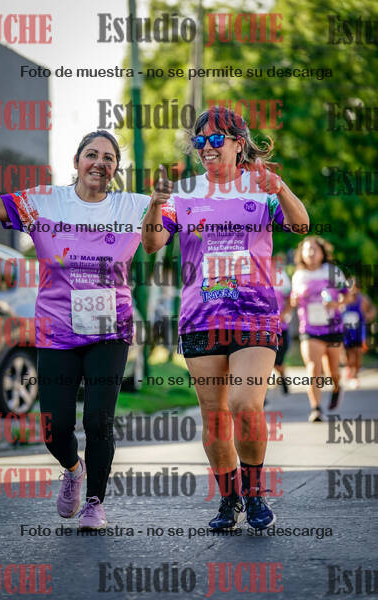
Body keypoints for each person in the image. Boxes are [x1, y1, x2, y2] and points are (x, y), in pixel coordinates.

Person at [142, 106, 309, 531]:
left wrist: (281, 188)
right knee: (215, 415)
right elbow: (152, 244)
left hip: (255, 315)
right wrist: (155, 206)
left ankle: (254, 494)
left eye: (216, 139)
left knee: (245, 405)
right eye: (200, 141)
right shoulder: (184, 193)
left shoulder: (261, 187)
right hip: (201, 317)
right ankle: (229, 498)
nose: (207, 147)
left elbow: (301, 225)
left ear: (238, 142)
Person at [0, 131, 149, 529]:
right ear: (76, 161)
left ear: (115, 168)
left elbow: (188, 215)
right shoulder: (43, 201)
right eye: (91, 154)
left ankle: (95, 503)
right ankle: (73, 469)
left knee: (98, 421)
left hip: (109, 329)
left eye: (109, 158)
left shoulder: (133, 206)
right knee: (54, 428)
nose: (99, 163)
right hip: (56, 330)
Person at [291, 237, 349, 422]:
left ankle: (337, 387)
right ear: (302, 254)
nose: (311, 253)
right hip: (309, 329)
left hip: (333, 328)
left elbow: (347, 296)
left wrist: (335, 304)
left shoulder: (332, 271)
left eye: (315, 249)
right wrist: (295, 298)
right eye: (307, 250)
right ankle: (316, 409)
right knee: (313, 368)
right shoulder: (299, 275)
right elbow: (293, 300)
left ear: (322, 253)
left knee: (333, 372)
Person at [343, 279, 376, 388]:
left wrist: (368, 316)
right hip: (346, 331)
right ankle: (349, 369)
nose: (353, 290)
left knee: (357, 353)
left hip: (358, 331)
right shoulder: (343, 298)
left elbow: (373, 309)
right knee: (348, 354)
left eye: (355, 287)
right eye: (350, 287)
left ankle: (355, 375)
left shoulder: (363, 299)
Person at [273, 256, 292, 394]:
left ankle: (283, 377)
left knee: (278, 361)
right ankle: (261, 395)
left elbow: (291, 299)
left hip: (281, 328)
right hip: (260, 328)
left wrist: (283, 315)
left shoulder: (281, 276)